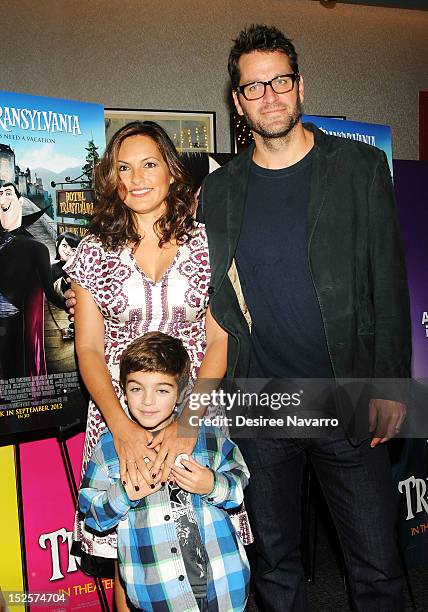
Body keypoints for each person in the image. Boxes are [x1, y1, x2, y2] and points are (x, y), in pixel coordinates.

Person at [198, 24, 411, 611]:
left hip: (348, 397)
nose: (269, 95)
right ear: (237, 102)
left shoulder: (360, 168)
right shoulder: (220, 191)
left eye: (280, 80)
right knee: (275, 568)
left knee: (377, 568)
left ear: (299, 85)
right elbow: (212, 297)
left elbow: (388, 283)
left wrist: (393, 385)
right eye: (253, 87)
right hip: (259, 403)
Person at [64, 121, 228, 606]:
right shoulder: (94, 251)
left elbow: (219, 342)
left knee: (200, 548)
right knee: (129, 551)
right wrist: (121, 428)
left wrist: (189, 422)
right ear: (111, 179)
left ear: (173, 173)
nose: (136, 177)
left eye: (149, 164)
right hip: (119, 415)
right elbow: (89, 349)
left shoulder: (208, 244)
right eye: (123, 167)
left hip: (193, 412)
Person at [78, 331, 250, 612]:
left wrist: (211, 484)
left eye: (162, 390)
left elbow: (238, 487)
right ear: (122, 389)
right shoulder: (109, 451)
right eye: (136, 389)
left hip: (224, 584)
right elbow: (93, 516)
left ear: (182, 392)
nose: (147, 401)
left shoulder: (207, 438)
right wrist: (124, 493)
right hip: (159, 595)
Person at [0, 182, 64, 380]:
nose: (2, 198)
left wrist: (73, 304)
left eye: (7, 193)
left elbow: (50, 293)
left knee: (16, 374)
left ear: (20, 201)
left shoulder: (37, 248)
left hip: (18, 329)